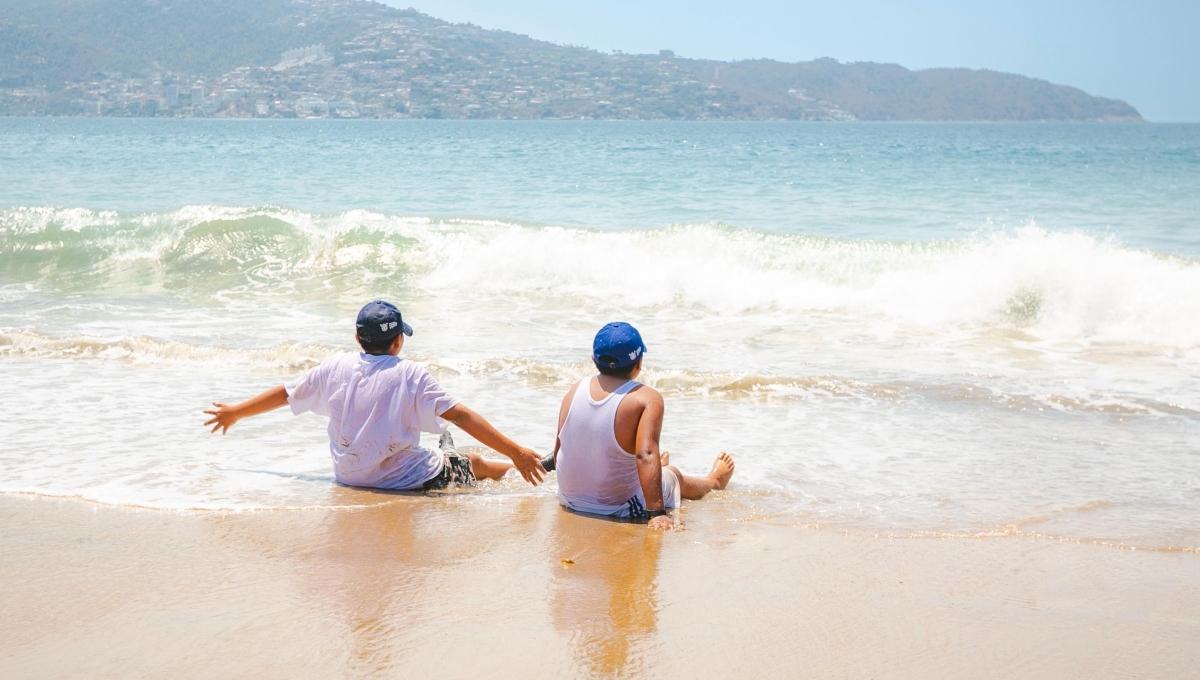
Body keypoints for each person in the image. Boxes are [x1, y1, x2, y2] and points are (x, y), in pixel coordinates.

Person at [203, 299, 545, 490]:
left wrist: (235, 412)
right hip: (404, 481)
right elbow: (459, 414)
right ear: (398, 341)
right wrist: (515, 451)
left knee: (444, 448)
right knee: (474, 463)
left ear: (357, 337)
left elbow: (285, 394)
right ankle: (534, 467)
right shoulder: (410, 373)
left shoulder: (334, 366)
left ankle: (452, 449)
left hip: (349, 477)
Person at [545, 322, 734, 530]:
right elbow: (646, 454)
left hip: (568, 500)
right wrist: (657, 513)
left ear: (593, 359)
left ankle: (655, 472)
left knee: (641, 464)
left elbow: (559, 451)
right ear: (638, 364)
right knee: (673, 475)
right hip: (618, 508)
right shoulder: (646, 398)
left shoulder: (574, 389)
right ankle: (714, 481)